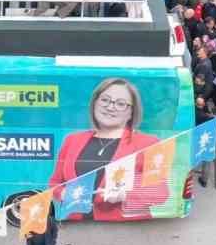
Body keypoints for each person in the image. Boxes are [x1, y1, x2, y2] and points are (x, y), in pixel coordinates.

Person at [48, 78, 162, 221]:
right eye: (105, 100)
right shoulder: (72, 140)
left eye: (120, 104)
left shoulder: (149, 143)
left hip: (127, 229)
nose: (110, 107)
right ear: (95, 103)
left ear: (131, 112)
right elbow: (55, 183)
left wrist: (124, 195)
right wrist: (64, 194)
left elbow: (160, 192)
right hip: (78, 226)